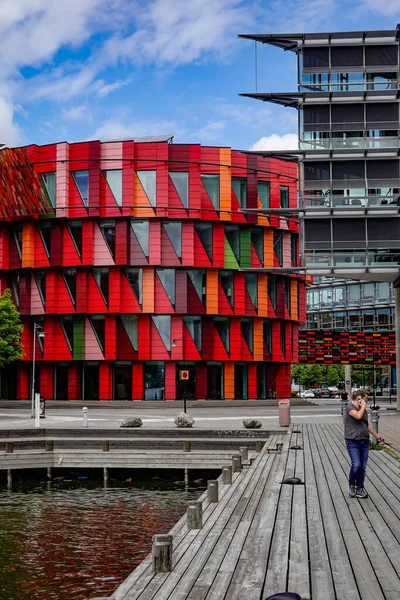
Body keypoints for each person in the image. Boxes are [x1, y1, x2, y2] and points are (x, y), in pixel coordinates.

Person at [344, 389, 383, 498]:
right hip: (352, 441)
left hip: (364, 441)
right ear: (359, 399)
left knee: (363, 466)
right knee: (356, 465)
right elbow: (357, 416)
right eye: (365, 399)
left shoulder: (363, 410)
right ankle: (352, 484)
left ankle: (360, 487)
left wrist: (376, 436)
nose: (367, 401)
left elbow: (366, 424)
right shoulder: (349, 408)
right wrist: (363, 406)